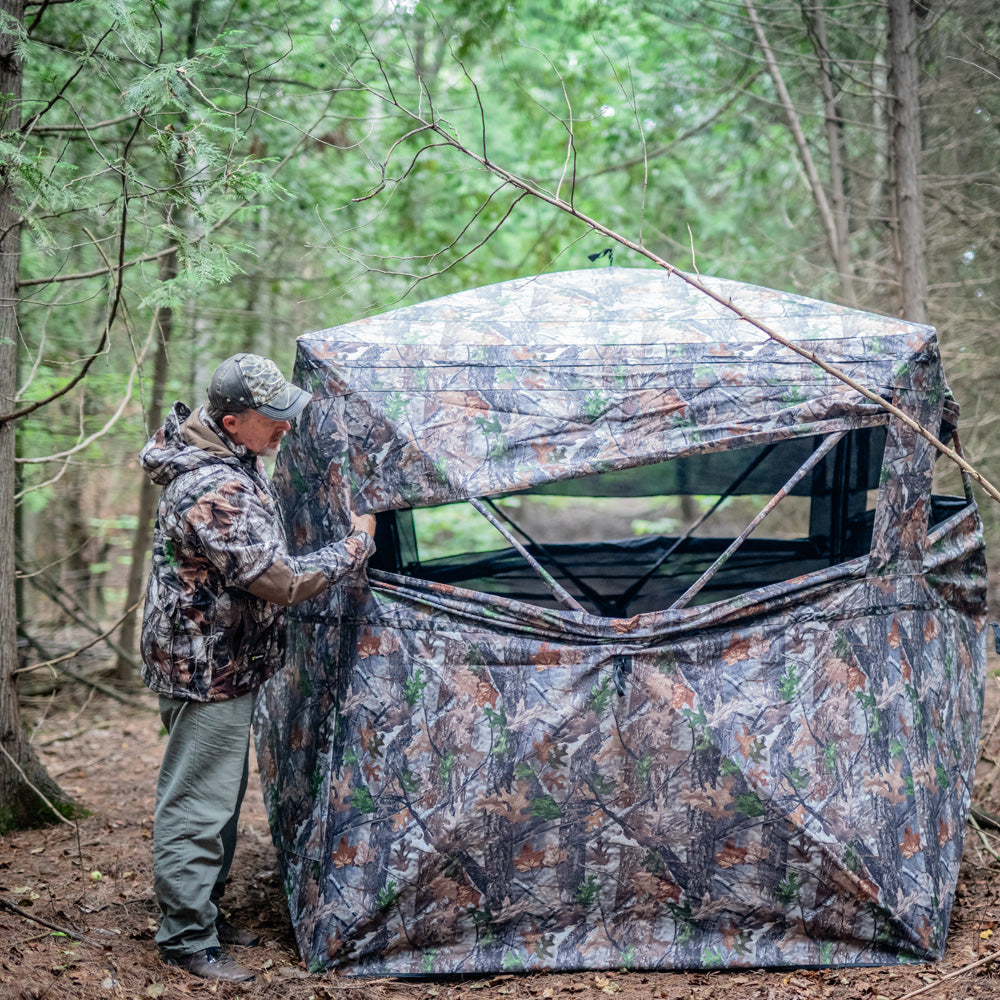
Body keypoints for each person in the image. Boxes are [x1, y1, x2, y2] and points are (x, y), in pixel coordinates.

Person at [138, 353, 376, 982]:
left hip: (219, 659)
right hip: (205, 668)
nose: (284, 429)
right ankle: (187, 938)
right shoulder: (216, 486)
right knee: (198, 800)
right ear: (234, 420)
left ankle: (202, 915)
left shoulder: (230, 461)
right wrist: (356, 543)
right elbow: (280, 581)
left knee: (218, 793)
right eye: (272, 418)